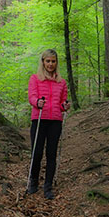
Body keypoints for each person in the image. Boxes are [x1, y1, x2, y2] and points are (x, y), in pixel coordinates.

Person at [27, 49, 69, 199]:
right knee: (37, 152)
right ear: (43, 62)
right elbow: (32, 96)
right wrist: (37, 102)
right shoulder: (35, 79)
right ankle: (33, 182)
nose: (50, 64)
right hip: (39, 119)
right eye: (48, 61)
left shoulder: (61, 82)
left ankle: (48, 186)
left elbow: (62, 101)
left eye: (53, 61)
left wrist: (65, 106)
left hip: (55, 121)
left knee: (51, 153)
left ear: (56, 63)